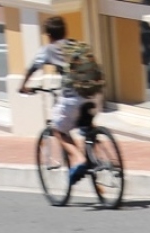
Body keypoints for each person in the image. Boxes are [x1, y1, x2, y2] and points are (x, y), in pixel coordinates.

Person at [19, 16, 93, 185]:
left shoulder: (49, 49)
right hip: (93, 92)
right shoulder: (77, 45)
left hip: (73, 96)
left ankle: (80, 159)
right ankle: (99, 153)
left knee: (57, 129)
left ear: (49, 35)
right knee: (86, 125)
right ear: (65, 31)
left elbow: (32, 68)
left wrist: (23, 86)